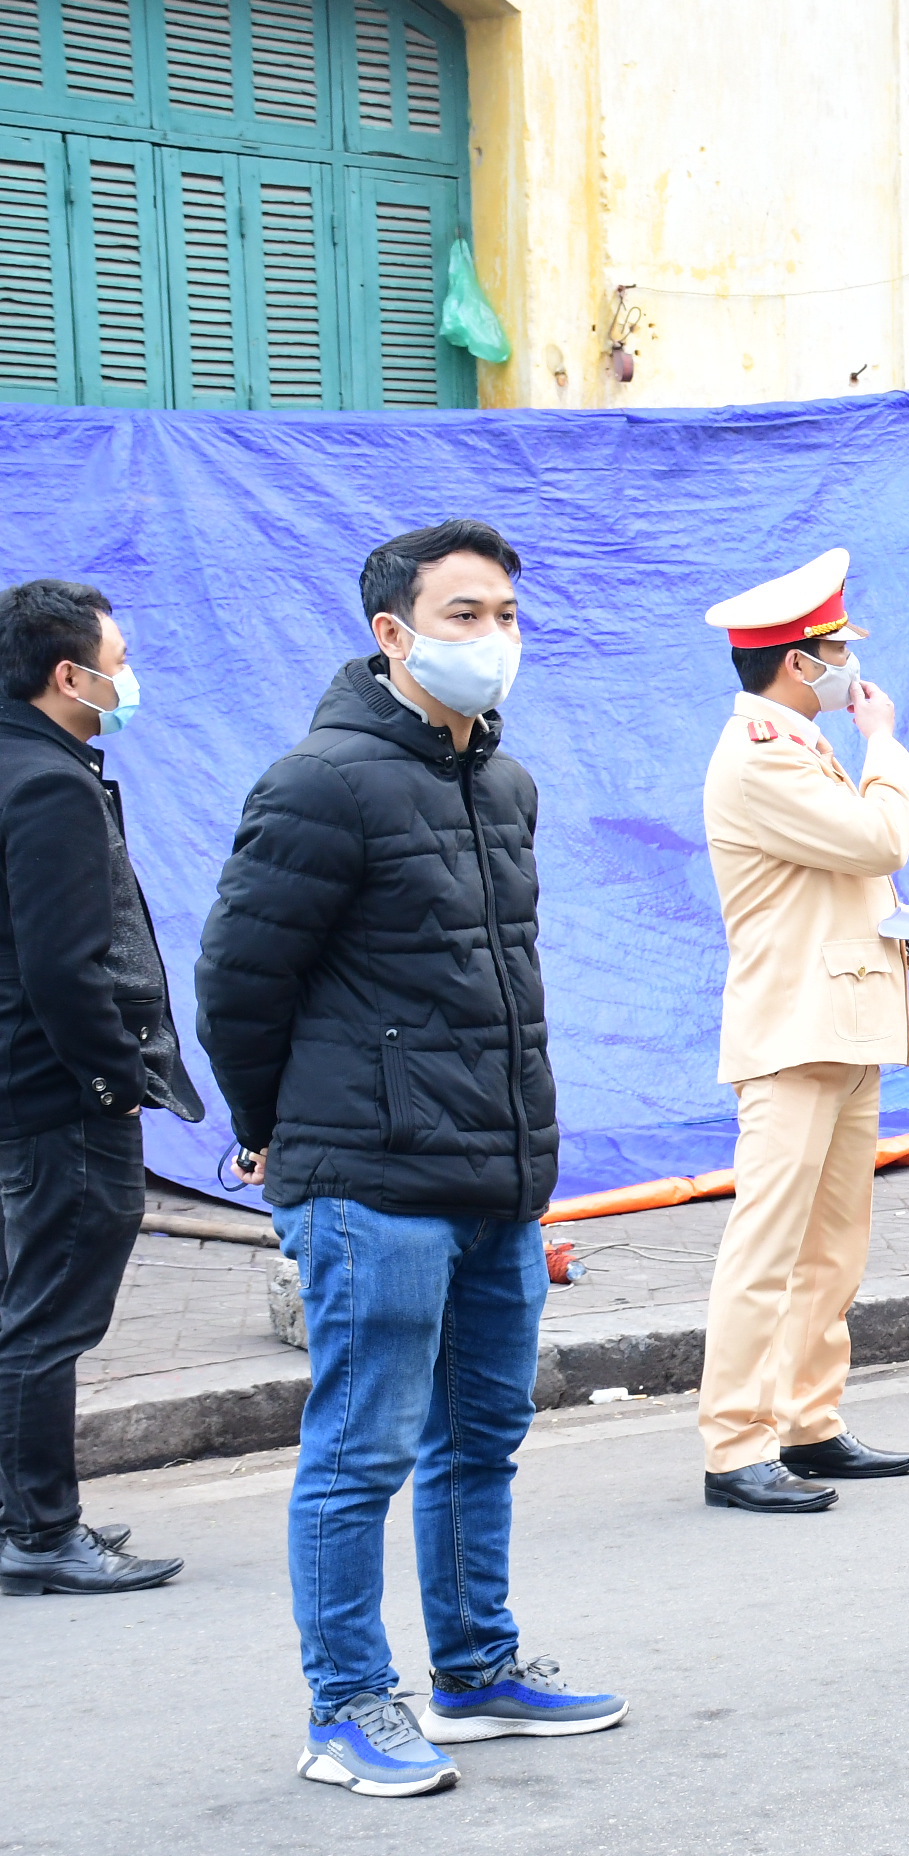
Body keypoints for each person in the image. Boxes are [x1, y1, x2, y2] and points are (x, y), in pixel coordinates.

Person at [197, 521, 622, 1797]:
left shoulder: (505, 782)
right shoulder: (320, 783)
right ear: (393, 633)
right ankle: (344, 1704)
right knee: (360, 1451)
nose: (495, 637)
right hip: (368, 1179)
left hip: (496, 1173)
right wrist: (272, 1129)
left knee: (480, 1436)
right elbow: (238, 980)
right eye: (465, 615)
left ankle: (476, 1668)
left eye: (506, 614)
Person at [694, 548, 909, 1513]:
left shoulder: (800, 747)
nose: (853, 667)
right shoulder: (762, 753)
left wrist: (908, 928)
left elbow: (837, 884)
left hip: (842, 1021)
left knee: (833, 1247)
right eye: (839, 650)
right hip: (793, 1031)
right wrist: (885, 743)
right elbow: (878, 838)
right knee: (767, 1248)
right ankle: (737, 1443)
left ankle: (808, 1420)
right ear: (799, 663)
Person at [0, 580, 194, 1600]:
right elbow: (65, 967)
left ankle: (22, 1514)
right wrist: (116, 1081)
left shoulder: (22, 764)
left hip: (26, 1084)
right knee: (50, 1316)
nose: (130, 676)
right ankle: (39, 1531)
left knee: (27, 1303)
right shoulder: (47, 785)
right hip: (58, 1093)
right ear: (69, 676)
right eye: (119, 659)